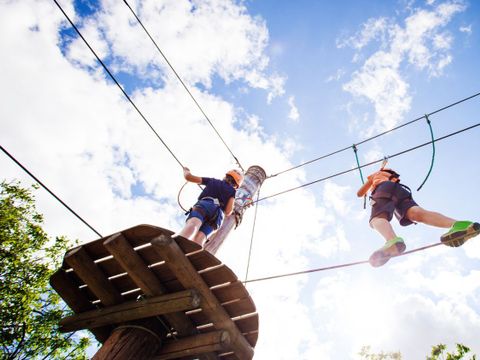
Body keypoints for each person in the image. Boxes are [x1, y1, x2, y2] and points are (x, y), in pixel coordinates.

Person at [357, 162, 479, 267]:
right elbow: (384, 167)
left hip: (383, 188)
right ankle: (459, 224)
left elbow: (359, 193)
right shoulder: (391, 175)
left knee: (376, 219)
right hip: (401, 190)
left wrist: (369, 183)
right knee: (416, 213)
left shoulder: (376, 175)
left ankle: (392, 240)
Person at [175, 167, 244, 246]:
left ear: (226, 176)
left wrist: (186, 171)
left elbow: (188, 177)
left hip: (205, 205)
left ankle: (177, 243)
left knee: (193, 225)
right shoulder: (233, 192)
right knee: (201, 238)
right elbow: (228, 212)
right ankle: (192, 254)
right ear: (236, 185)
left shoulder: (213, 181)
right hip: (218, 215)